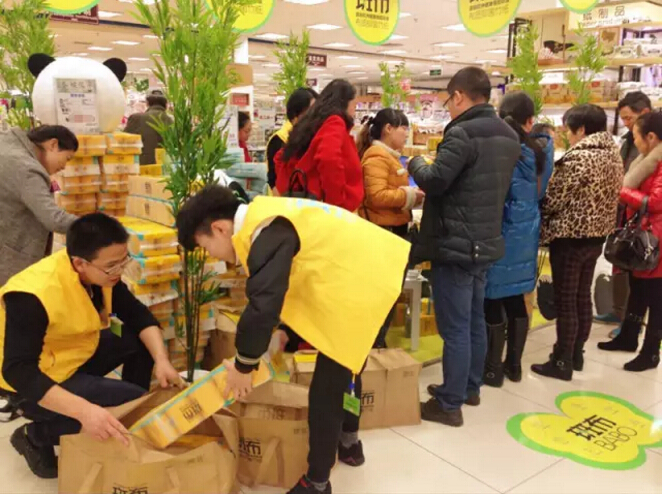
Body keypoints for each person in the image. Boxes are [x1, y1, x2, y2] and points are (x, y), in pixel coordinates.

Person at [176, 186, 410, 494]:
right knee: (349, 365)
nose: (212, 256)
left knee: (327, 387)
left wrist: (244, 365)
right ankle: (349, 443)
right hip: (373, 269)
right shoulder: (266, 215)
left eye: (206, 247)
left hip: (364, 282)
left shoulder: (264, 231)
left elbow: (263, 305)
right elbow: (293, 278)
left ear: (219, 228)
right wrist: (286, 330)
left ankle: (317, 482)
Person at [0, 213, 181, 479]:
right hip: (31, 380)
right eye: (112, 266)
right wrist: (85, 411)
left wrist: (162, 361)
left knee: (133, 338)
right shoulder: (32, 295)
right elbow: (19, 371)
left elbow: (138, 316)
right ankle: (34, 434)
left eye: (124, 260)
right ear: (80, 263)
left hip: (73, 354)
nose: (120, 271)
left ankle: (126, 419)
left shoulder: (103, 276)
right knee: (128, 401)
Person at [408, 67, 521, 427]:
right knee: (473, 320)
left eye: (448, 100)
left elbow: (436, 180)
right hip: (485, 242)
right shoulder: (508, 134)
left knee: (455, 327)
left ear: (458, 95)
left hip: (455, 244)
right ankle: (469, 388)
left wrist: (416, 162)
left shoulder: (462, 133)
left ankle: (449, 403)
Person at [532, 104, 623, 381]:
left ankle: (561, 360)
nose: (568, 137)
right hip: (596, 238)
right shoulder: (613, 155)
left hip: (570, 238)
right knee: (582, 296)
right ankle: (576, 354)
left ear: (581, 130)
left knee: (566, 300)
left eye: (569, 131)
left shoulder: (578, 159)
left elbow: (553, 200)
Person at [482, 92, 555, 388]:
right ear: (530, 120)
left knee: (493, 294)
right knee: (516, 296)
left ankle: (491, 369)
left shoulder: (502, 150)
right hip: (527, 231)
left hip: (500, 228)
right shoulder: (542, 151)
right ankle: (514, 365)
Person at [598, 112, 662, 371]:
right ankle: (628, 337)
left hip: (655, 241)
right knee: (637, 291)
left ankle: (650, 353)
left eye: (636, 136)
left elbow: (655, 202)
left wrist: (621, 191)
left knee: (656, 299)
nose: (634, 142)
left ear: (651, 136)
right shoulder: (647, 160)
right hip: (644, 236)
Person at [357, 108, 424, 347]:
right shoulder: (377, 157)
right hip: (383, 234)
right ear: (388, 129)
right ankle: (373, 344)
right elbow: (376, 196)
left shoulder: (388, 157)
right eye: (403, 128)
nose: (407, 134)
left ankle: (376, 343)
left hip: (391, 232)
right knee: (382, 295)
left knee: (387, 294)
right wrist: (409, 195)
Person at [596, 92, 653, 329]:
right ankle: (618, 311)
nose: (626, 123)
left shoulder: (653, 147)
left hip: (642, 216)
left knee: (636, 268)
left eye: (629, 118)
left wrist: (624, 192)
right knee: (619, 260)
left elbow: (653, 197)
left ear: (645, 113)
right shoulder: (629, 140)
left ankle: (630, 322)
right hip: (624, 211)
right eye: (623, 119)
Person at [0, 125, 79, 286]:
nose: (64, 166)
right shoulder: (26, 168)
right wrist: (93, 225)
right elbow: (53, 219)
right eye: (67, 158)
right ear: (53, 144)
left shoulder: (8, 146)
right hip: (9, 254)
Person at [275, 79, 363, 212]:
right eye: (354, 105)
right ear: (345, 103)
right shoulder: (335, 122)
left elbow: (281, 156)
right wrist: (337, 202)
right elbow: (328, 157)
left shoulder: (313, 122)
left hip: (307, 204)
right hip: (328, 209)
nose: (354, 111)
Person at [267, 88, 318, 189]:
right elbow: (273, 181)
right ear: (295, 115)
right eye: (310, 112)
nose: (315, 117)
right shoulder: (279, 139)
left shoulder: (312, 137)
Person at [124, 88, 174, 165]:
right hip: (167, 168)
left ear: (147, 103)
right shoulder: (172, 122)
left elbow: (123, 143)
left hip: (142, 168)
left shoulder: (136, 118)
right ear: (166, 105)